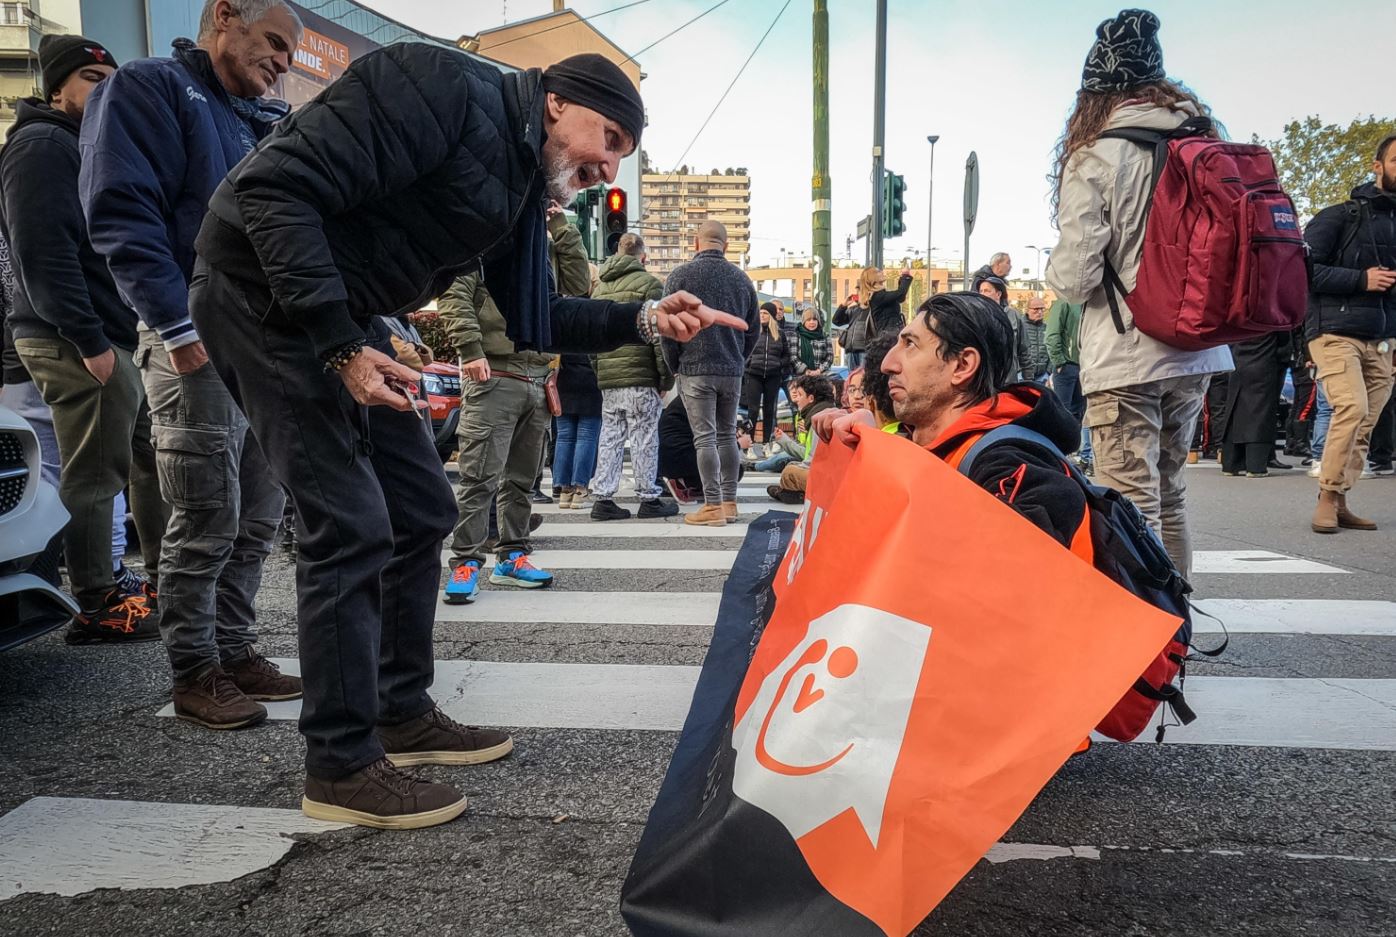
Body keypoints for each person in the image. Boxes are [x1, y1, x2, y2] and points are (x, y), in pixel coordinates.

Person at [188, 44, 747, 828]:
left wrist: (647, 317)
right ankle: (340, 763)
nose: (610, 169)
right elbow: (271, 191)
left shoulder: (521, 180)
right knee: (348, 522)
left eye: (624, 154)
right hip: (261, 294)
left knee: (420, 508)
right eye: (611, 139)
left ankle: (399, 708)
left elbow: (533, 317)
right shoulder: (438, 87)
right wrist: (340, 345)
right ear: (558, 101)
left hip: (341, 313)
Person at [79, 0, 301, 728]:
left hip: (258, 349)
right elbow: (122, 209)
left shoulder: (252, 120)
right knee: (204, 515)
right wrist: (176, 324)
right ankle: (195, 669)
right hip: (195, 339)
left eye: (290, 52)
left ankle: (233, 650)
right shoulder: (151, 88)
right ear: (225, 16)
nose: (284, 62)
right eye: (274, 42)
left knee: (256, 515)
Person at [1045, 8, 1232, 577]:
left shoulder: (1096, 156)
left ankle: (1144, 643)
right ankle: (1178, 626)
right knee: (1171, 495)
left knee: (1130, 504)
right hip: (1197, 347)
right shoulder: (1206, 145)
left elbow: (1076, 277)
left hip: (1128, 355)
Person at [0, 34, 166, 643]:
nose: (105, 91)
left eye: (109, 80)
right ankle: (97, 602)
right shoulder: (42, 144)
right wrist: (89, 338)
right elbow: (42, 254)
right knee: (98, 473)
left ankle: (160, 579)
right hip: (76, 336)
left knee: (149, 459)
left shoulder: (83, 143)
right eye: (92, 81)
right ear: (57, 88)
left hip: (110, 334)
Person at [815, 292, 1086, 546]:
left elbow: (1002, 573)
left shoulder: (1008, 465)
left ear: (962, 366)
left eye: (910, 344)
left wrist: (882, 455)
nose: (887, 364)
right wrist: (869, 443)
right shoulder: (944, 446)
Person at [437, 205, 589, 603]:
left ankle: (513, 555)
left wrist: (561, 226)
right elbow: (454, 295)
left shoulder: (545, 248)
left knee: (522, 479)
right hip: (495, 375)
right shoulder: (483, 242)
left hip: (537, 377)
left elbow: (576, 286)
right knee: (479, 477)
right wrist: (470, 350)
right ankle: (467, 560)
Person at [1302, 131, 1396, 533]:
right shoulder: (1340, 215)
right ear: (1377, 166)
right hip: (1334, 329)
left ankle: (1340, 498)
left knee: (1365, 423)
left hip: (1383, 338)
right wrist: (1361, 279)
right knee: (1351, 408)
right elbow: (1303, 269)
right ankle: (1326, 496)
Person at [662, 220, 760, 528]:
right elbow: (753, 330)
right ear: (726, 245)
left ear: (696, 243)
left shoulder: (679, 276)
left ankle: (713, 505)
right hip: (731, 369)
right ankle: (730, 502)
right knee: (726, 434)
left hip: (695, 367)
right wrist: (738, 359)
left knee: (703, 438)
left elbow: (667, 330)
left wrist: (674, 365)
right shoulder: (742, 280)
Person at [589, 233, 677, 521]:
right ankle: (648, 496)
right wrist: (665, 379)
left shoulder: (599, 288)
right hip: (641, 374)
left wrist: (600, 370)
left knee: (610, 436)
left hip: (609, 376)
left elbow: (590, 337)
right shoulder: (650, 285)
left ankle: (603, 497)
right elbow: (658, 337)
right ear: (643, 257)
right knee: (644, 436)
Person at [1217, 333, 1290, 477]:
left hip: (1237, 362)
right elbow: (1284, 342)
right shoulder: (1273, 313)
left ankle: (1231, 464)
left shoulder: (1237, 312)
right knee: (1260, 413)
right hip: (1264, 363)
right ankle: (1255, 465)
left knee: (1234, 410)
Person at [657, 394, 749, 500]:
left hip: (670, 455)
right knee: (734, 469)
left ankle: (688, 483)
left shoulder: (694, 394)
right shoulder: (707, 399)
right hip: (678, 458)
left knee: (728, 465)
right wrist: (738, 444)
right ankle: (682, 482)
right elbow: (709, 441)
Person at [1045, 296, 1093, 472]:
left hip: (1084, 366)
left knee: (1079, 413)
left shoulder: (1088, 302)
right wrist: (1059, 362)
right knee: (1061, 412)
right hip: (1067, 366)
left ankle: (1072, 455)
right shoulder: (1064, 302)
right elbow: (1052, 334)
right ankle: (1057, 454)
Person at [755, 374, 836, 476]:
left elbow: (809, 456)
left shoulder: (818, 419)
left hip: (819, 473)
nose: (797, 399)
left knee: (787, 471)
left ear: (811, 398)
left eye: (800, 395)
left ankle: (755, 467)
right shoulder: (820, 414)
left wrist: (785, 441)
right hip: (820, 469)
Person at [741, 302, 791, 462]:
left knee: (770, 410)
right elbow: (744, 351)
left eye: (765, 313)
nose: (761, 316)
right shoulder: (752, 332)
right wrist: (748, 364)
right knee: (753, 411)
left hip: (773, 376)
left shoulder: (780, 334)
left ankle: (766, 444)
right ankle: (749, 445)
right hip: (754, 374)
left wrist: (779, 366)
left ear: (771, 316)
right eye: (760, 313)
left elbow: (786, 355)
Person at [553, 353, 603, 514]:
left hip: (564, 378)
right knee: (587, 436)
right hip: (590, 378)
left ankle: (564, 490)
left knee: (564, 437)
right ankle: (580, 489)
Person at [972, 273, 1030, 380]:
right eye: (981, 291)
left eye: (987, 291)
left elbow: (1024, 349)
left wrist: (1028, 379)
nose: (982, 294)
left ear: (998, 294)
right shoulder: (976, 317)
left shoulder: (1012, 315)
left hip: (1009, 380)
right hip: (984, 381)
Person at [788, 307, 833, 377]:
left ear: (818, 321)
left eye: (814, 319)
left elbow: (829, 357)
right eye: (808, 320)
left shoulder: (825, 336)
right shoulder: (796, 335)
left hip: (821, 374)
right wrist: (805, 370)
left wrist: (819, 371)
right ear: (804, 322)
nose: (812, 322)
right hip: (801, 375)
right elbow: (793, 357)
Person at [1020, 297, 1052, 383]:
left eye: (1042, 309)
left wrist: (1048, 372)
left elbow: (1051, 350)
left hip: (1042, 377)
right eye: (1036, 309)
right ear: (1027, 310)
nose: (1040, 312)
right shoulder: (1020, 326)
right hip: (1022, 376)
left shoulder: (1047, 328)